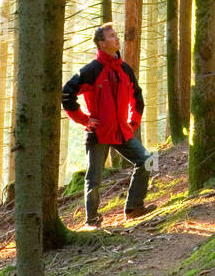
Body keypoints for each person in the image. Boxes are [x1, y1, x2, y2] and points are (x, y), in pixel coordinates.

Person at [61, 23, 157, 226]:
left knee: (148, 161)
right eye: (112, 36)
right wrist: (84, 119)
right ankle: (92, 220)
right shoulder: (90, 71)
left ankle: (134, 207)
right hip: (98, 133)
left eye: (116, 35)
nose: (117, 38)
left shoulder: (125, 69)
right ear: (101, 43)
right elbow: (66, 94)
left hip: (122, 131)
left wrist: (133, 122)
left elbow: (137, 98)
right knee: (93, 179)